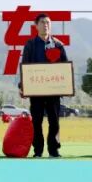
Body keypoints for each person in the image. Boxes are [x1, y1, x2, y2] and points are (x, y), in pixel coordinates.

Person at [20, 14, 68, 158]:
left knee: (54, 121)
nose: (45, 25)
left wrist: (66, 86)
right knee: (37, 121)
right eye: (42, 22)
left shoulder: (58, 45)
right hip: (36, 91)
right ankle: (38, 150)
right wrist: (22, 86)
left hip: (53, 91)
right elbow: (25, 66)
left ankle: (54, 150)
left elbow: (65, 67)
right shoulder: (30, 45)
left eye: (48, 22)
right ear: (36, 26)